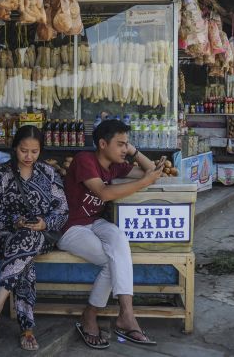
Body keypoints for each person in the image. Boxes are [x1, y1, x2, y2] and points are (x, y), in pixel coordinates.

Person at [59, 119, 162, 349]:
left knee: (119, 239)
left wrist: (133, 150)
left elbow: (152, 170)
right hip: (71, 228)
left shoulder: (116, 165)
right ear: (103, 144)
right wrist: (145, 182)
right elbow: (104, 193)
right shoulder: (85, 160)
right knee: (111, 261)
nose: (125, 149)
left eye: (127, 144)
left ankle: (126, 314)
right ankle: (91, 315)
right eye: (121, 144)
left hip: (95, 223)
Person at [0, 125, 69, 351]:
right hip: (6, 234)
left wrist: (45, 223)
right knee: (25, 254)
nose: (29, 156)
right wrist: (16, 221)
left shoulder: (48, 173)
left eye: (34, 151)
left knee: (29, 237)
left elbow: (62, 211)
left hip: (43, 234)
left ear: (40, 151)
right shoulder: (2, 174)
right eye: (24, 150)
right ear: (15, 148)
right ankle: (27, 329)